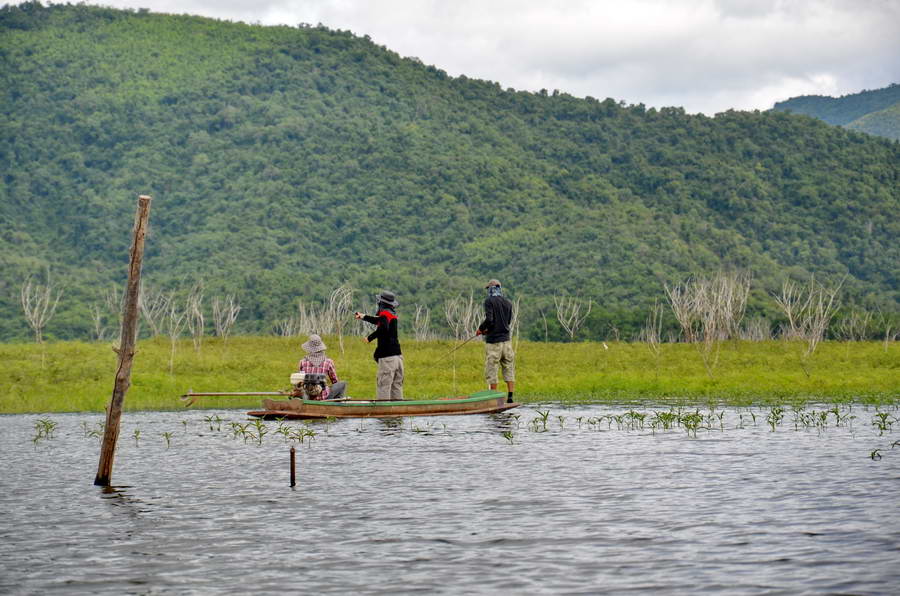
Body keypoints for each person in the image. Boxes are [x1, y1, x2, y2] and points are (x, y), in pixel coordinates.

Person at [355, 290, 404, 400]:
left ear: (381, 303)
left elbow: (383, 328)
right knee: (396, 386)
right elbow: (379, 321)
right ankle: (397, 413)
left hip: (387, 358)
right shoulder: (392, 314)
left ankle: (384, 415)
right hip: (398, 357)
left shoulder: (384, 314)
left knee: (383, 386)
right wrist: (363, 316)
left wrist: (369, 338)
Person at [476, 279, 516, 403]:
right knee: (508, 367)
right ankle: (510, 397)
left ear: (490, 289)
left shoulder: (489, 301)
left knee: (492, 368)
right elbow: (507, 322)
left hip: (494, 342)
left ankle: (493, 398)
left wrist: (481, 329)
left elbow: (490, 319)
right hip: (507, 342)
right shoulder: (508, 303)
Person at [297, 334, 346, 400]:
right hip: (324, 397)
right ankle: (336, 404)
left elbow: (299, 382)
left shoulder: (302, 362)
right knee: (343, 384)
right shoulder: (328, 362)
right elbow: (335, 381)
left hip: (307, 396)